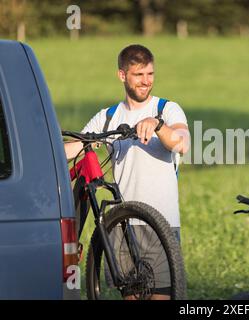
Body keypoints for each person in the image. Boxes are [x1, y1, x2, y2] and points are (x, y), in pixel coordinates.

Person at [64, 44, 190, 300]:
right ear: (122, 75)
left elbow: (182, 143)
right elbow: (75, 148)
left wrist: (157, 125)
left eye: (150, 74)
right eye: (138, 75)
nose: (146, 82)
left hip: (160, 223)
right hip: (121, 224)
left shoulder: (166, 109)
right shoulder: (108, 117)